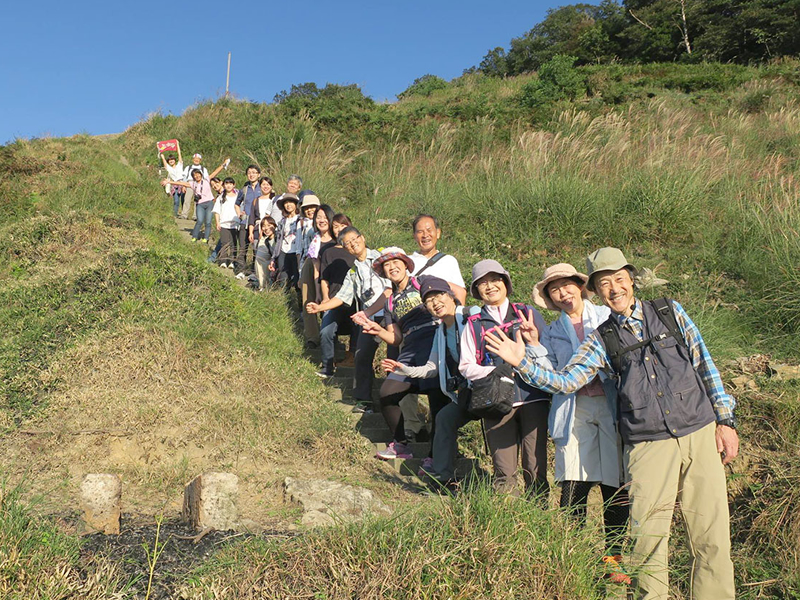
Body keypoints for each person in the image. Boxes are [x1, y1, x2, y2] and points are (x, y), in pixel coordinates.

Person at [484, 247, 738, 600]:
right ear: (597, 291)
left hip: (699, 429)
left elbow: (705, 366)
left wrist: (725, 420)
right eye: (605, 283)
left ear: (631, 280)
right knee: (647, 541)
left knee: (712, 535)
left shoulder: (669, 312)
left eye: (619, 279)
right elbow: (567, 381)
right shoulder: (601, 338)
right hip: (647, 444)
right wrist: (523, 360)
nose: (614, 288)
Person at [532, 263, 629, 580]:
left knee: (614, 480)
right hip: (574, 407)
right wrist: (533, 345)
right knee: (573, 476)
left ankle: (612, 557)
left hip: (611, 403)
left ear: (580, 285)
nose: (563, 293)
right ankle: (572, 553)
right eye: (555, 289)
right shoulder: (552, 330)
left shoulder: (604, 316)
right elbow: (548, 372)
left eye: (567, 285)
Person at [458, 259, 552, 498]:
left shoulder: (527, 313)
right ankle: (509, 525)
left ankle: (540, 521)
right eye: (482, 283)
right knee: (503, 470)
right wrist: (499, 372)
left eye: (495, 280)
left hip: (533, 397)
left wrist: (531, 346)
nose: (490, 286)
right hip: (495, 402)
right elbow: (466, 366)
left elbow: (549, 351)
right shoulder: (474, 324)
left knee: (536, 466)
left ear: (506, 283)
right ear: (476, 291)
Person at [381, 276, 479, 484]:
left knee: (444, 415)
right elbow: (431, 368)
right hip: (467, 390)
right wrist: (403, 368)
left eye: (439, 295)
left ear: (452, 296)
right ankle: (443, 477)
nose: (435, 302)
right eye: (428, 300)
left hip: (488, 386)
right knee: (444, 418)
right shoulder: (441, 332)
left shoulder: (473, 316)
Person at [354, 248, 447, 462]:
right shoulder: (389, 302)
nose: (392, 267)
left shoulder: (423, 282)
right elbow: (395, 338)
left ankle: (436, 454)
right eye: (387, 265)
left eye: (396, 262)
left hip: (434, 341)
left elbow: (447, 300)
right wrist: (377, 330)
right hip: (410, 349)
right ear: (384, 273)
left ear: (405, 265)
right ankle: (400, 444)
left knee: (437, 399)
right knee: (387, 392)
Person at [307, 227, 391, 409]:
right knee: (361, 356)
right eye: (348, 243)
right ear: (345, 249)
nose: (353, 244)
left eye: (355, 239)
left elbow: (389, 290)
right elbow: (342, 297)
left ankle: (394, 405)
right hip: (369, 319)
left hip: (390, 315)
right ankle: (364, 401)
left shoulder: (382, 258)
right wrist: (320, 307)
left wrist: (368, 313)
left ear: (363, 237)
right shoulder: (353, 271)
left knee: (394, 358)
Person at [314, 214, 356, 378]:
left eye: (343, 226)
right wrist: (325, 297)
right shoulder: (328, 252)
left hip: (355, 301)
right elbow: (324, 278)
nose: (339, 229)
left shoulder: (357, 251)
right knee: (326, 331)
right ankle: (327, 367)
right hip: (334, 300)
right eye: (336, 226)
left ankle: (353, 361)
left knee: (358, 330)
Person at [162, 159, 226, 242]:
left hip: (210, 203)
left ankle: (206, 238)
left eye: (198, 174)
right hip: (200, 204)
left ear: (201, 174)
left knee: (208, 221)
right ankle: (194, 236)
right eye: (194, 175)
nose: (197, 176)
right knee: (199, 220)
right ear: (193, 177)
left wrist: (223, 165)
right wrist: (169, 182)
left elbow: (215, 172)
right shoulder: (193, 183)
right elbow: (182, 183)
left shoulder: (206, 180)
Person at [409, 215, 467, 304]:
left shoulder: (449, 261)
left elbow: (460, 293)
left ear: (438, 233)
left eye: (429, 230)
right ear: (414, 236)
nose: (425, 235)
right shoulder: (407, 262)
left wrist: (458, 316)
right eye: (420, 232)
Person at [297, 194, 322, 347]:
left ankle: (329, 335)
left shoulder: (325, 224)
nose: (310, 210)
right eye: (307, 208)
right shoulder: (302, 226)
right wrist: (301, 271)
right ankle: (312, 337)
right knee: (308, 299)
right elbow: (300, 249)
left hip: (324, 262)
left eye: (313, 207)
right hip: (308, 263)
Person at [234, 165, 263, 274]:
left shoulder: (263, 187)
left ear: (259, 175)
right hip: (244, 222)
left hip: (257, 224)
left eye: (254, 172)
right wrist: (239, 213)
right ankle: (240, 270)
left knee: (257, 249)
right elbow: (237, 204)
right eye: (249, 173)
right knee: (242, 248)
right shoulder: (245, 189)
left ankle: (255, 272)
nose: (251, 175)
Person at [272, 194, 301, 290]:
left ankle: (298, 300)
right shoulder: (282, 221)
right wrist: (274, 258)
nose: (288, 205)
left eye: (291, 202)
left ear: (296, 204)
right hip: (283, 251)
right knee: (283, 276)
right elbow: (279, 240)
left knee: (297, 277)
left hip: (296, 252)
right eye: (286, 203)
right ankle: (284, 299)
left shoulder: (300, 219)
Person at [212, 177, 242, 272]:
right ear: (223, 185)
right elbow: (217, 211)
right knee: (225, 243)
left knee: (234, 244)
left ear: (234, 185)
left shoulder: (238, 196)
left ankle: (232, 261)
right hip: (224, 223)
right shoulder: (221, 197)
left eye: (230, 183)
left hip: (235, 223)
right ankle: (223, 261)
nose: (228, 185)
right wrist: (217, 222)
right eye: (226, 183)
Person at [179, 153, 210, 220]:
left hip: (199, 185)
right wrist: (183, 186)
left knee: (198, 200)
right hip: (189, 184)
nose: (196, 160)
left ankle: (196, 216)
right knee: (187, 199)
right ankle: (184, 214)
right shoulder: (188, 167)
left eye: (198, 159)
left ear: (200, 160)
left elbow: (206, 179)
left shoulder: (203, 169)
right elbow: (184, 177)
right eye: (195, 159)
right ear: (193, 159)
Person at [160, 142, 184, 217]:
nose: (171, 161)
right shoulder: (169, 168)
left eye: (172, 159)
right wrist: (162, 155)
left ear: (175, 160)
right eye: (169, 160)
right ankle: (175, 214)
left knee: (184, 200)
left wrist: (177, 145)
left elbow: (179, 154)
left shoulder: (179, 165)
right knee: (176, 200)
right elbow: (164, 162)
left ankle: (184, 214)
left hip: (182, 184)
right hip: (174, 185)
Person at [254, 217, 277, 291]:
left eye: (269, 225)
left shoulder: (278, 237)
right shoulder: (267, 241)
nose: (266, 228)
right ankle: (263, 285)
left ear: (274, 226)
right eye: (263, 226)